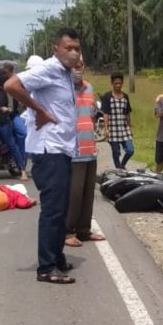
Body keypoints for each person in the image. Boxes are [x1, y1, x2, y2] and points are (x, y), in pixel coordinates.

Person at [4, 28, 82, 284]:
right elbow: (12, 85)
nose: (73, 53)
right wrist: (38, 109)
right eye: (68, 48)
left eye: (77, 49)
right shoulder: (48, 69)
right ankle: (46, 267)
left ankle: (56, 257)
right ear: (55, 49)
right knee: (53, 211)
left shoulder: (66, 74)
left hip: (62, 149)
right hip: (50, 152)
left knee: (60, 210)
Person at [65, 57, 105, 247]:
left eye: (80, 66)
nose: (77, 70)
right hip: (73, 150)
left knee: (88, 193)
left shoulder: (89, 88)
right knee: (74, 194)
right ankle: (68, 231)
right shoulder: (65, 89)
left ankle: (84, 230)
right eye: (73, 67)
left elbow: (91, 115)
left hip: (90, 148)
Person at [0, 67, 27, 180]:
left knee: (16, 138)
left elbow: (11, 108)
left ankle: (22, 168)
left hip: (7, 118)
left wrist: (4, 109)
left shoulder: (8, 89)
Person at [99, 72, 135, 169]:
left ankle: (122, 165)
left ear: (122, 83)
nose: (118, 85)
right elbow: (105, 114)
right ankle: (119, 169)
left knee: (130, 150)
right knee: (116, 152)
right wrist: (106, 129)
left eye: (120, 83)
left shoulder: (125, 97)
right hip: (113, 129)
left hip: (124, 128)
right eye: (116, 83)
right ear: (112, 83)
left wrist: (130, 128)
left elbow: (127, 113)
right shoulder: (107, 96)